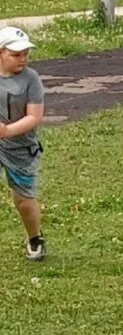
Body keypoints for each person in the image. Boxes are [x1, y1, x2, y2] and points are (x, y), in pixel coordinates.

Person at [0, 27, 46, 260]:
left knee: (23, 200)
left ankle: (35, 238)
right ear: (1, 54)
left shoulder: (31, 79)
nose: (23, 58)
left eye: (26, 53)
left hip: (21, 147)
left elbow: (34, 117)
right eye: (16, 54)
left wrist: (6, 131)